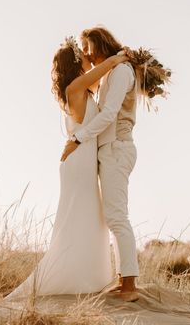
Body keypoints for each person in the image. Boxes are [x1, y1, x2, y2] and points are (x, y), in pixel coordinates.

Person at [3, 36, 128, 301]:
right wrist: (118, 57)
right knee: (80, 217)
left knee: (89, 217)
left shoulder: (83, 88)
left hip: (82, 159)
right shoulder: (75, 86)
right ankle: (71, 278)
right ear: (75, 63)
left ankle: (89, 276)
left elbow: (103, 81)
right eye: (82, 54)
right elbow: (104, 69)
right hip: (78, 161)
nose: (87, 54)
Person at [60, 26, 140, 302]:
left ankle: (129, 285)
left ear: (98, 43)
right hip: (109, 150)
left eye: (86, 47)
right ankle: (122, 279)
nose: (84, 52)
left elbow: (108, 114)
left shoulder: (120, 72)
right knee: (112, 217)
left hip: (117, 148)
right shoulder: (110, 72)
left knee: (118, 217)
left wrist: (78, 138)